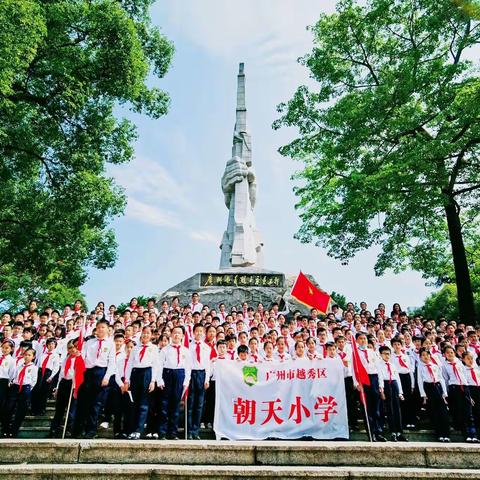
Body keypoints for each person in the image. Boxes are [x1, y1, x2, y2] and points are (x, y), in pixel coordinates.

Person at [72, 319, 115, 438]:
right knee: (83, 402)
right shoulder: (89, 342)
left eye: (103, 327)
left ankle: (91, 430)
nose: (100, 329)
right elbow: (83, 357)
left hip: (100, 373)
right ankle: (77, 430)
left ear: (107, 329)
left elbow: (111, 363)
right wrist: (78, 356)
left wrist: (106, 377)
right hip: (88, 373)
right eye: (98, 327)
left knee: (95, 404)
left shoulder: (110, 344)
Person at [124, 326, 158, 439]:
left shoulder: (154, 348)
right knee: (134, 403)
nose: (145, 335)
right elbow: (129, 364)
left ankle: (138, 430)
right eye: (144, 333)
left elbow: (155, 365)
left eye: (148, 333)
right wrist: (127, 380)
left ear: (152, 335)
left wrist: (153, 381)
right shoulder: (135, 348)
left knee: (143, 404)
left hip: (147, 374)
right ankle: (132, 429)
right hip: (135, 374)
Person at [157, 326, 191, 440]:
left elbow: (188, 368)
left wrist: (186, 381)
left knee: (175, 405)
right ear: (171, 335)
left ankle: (173, 433)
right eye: (175, 333)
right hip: (167, 375)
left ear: (182, 336)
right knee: (164, 404)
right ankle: (162, 432)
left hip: (180, 375)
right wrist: (159, 379)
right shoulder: (165, 349)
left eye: (179, 333)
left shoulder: (186, 351)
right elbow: (159, 365)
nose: (176, 335)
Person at [353, 333, 386, 442]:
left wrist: (381, 384)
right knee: (367, 409)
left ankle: (379, 432)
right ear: (357, 340)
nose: (363, 341)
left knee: (376, 409)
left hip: (374, 379)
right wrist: (356, 383)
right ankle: (371, 434)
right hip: (363, 380)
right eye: (361, 339)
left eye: (365, 339)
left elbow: (379, 369)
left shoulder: (372, 352)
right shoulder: (355, 353)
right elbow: (354, 369)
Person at [442, 345, 478, 442]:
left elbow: (465, 377)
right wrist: (446, 393)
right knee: (461, 412)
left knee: (469, 413)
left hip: (465, 388)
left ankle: (473, 435)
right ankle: (466, 435)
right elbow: (445, 379)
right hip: (454, 388)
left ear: (455, 353)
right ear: (444, 354)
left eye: (452, 352)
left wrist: (469, 395)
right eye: (448, 353)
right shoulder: (444, 365)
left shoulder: (459, 363)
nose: (450, 354)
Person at [417, 347, 450, 442]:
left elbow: (441, 379)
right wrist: (423, 394)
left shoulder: (435, 366)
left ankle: (446, 434)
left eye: (427, 355)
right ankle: (439, 434)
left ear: (430, 356)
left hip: (438, 387)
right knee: (434, 411)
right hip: (428, 387)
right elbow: (420, 380)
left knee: (443, 411)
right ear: (420, 357)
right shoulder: (420, 367)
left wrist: (444, 392)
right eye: (423, 355)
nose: (425, 357)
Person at [49, 340, 79, 437]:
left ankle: (69, 429)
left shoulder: (79, 359)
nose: (72, 349)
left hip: (73, 383)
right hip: (63, 383)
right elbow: (61, 374)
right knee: (59, 408)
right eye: (69, 348)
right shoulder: (66, 359)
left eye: (74, 347)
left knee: (71, 408)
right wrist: (57, 387)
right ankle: (54, 429)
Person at [377, 346, 407, 441]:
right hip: (386, 385)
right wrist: (381, 390)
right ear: (381, 354)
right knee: (390, 410)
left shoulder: (392, 365)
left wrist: (400, 392)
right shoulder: (379, 365)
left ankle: (399, 432)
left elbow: (397, 378)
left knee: (397, 409)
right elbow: (380, 378)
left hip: (394, 385)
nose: (387, 356)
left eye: (388, 354)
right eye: (385, 354)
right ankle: (393, 431)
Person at [6, 347, 37, 437]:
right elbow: (15, 376)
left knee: (21, 410)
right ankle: (7, 429)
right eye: (25, 355)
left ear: (33, 357)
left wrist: (28, 389)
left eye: (29, 355)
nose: (26, 356)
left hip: (25, 388)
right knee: (9, 407)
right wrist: (12, 382)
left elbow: (34, 380)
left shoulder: (34, 368)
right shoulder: (19, 366)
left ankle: (14, 431)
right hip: (15, 387)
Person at [187, 324, 210, 440]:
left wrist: (206, 379)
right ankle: (189, 431)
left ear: (204, 333)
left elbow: (207, 365)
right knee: (190, 403)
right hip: (191, 374)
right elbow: (186, 364)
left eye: (201, 331)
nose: (199, 333)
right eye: (197, 331)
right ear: (193, 332)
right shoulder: (188, 347)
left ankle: (196, 431)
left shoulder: (207, 347)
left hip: (201, 374)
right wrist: (187, 379)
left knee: (199, 404)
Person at [32, 338, 60, 416]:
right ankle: (34, 409)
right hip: (40, 372)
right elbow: (37, 365)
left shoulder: (56, 355)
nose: (51, 345)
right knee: (37, 390)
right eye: (49, 344)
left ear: (55, 345)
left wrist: (51, 377)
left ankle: (41, 410)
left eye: (52, 344)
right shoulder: (42, 354)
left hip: (48, 373)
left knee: (44, 392)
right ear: (47, 345)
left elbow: (56, 367)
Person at [0, 340, 15, 436]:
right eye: (3, 347)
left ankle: (5, 427)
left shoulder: (11, 360)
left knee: (2, 405)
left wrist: (9, 382)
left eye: (7, 348)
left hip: (4, 382)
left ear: (11, 349)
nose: (4, 349)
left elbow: (12, 373)